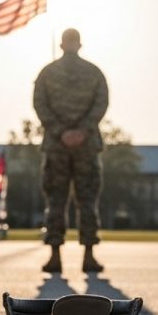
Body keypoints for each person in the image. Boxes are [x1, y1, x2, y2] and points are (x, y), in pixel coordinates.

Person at [33, 28, 108, 273]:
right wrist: (82, 131)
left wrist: (61, 132)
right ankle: (88, 255)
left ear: (62, 44)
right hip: (81, 144)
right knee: (83, 200)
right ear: (79, 44)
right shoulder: (94, 72)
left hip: (59, 144)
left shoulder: (47, 73)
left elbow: (40, 104)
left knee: (59, 199)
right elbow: (101, 104)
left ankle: (56, 256)